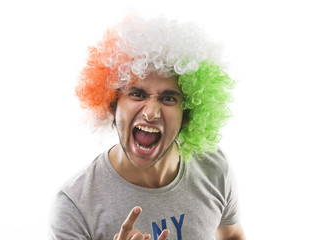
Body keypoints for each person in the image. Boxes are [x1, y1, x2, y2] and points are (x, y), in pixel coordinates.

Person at [49, 15, 245, 240]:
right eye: (137, 94)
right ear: (112, 104)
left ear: (188, 114)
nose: (151, 112)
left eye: (169, 98)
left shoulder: (212, 166)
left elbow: (231, 235)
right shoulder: (75, 206)